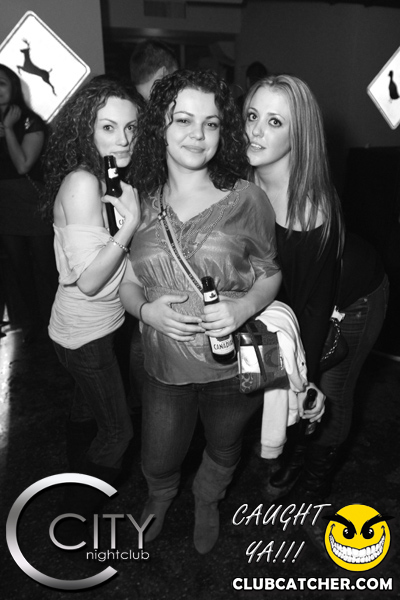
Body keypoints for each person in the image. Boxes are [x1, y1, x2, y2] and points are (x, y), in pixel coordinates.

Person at [120, 69, 282, 554]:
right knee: (158, 454)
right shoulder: (139, 201)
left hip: (234, 362)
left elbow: (271, 272)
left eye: (210, 123)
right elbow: (128, 283)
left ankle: (208, 497)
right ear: (160, 127)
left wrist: (244, 306)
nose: (198, 134)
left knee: (226, 444)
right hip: (164, 362)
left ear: (222, 131)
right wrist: (147, 312)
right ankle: (160, 496)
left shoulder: (248, 198)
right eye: (183, 120)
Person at [243, 74, 388, 500]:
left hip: (352, 300)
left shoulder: (307, 208)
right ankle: (288, 454)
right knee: (276, 386)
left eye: (274, 122)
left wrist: (302, 380)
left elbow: (313, 309)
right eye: (252, 116)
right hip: (291, 302)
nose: (255, 130)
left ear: (299, 135)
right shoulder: (244, 181)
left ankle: (314, 484)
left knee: (326, 394)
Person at [42, 76, 142, 523]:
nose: (123, 139)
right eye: (108, 127)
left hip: (83, 329)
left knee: (86, 408)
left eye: (131, 127)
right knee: (118, 431)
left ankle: (73, 475)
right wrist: (130, 225)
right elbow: (89, 281)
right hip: (86, 334)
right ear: (86, 129)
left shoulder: (105, 175)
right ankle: (73, 517)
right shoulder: (84, 181)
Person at [0, 64, 58, 343]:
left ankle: (57, 321)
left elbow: (23, 164)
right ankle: (33, 324)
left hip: (31, 205)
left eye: (1, 83)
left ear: (13, 87)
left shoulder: (29, 122)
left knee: (46, 268)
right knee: (18, 269)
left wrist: (8, 129)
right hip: (5, 206)